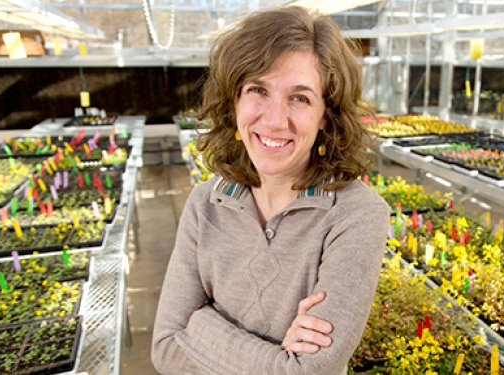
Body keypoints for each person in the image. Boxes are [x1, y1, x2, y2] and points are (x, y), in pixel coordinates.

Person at [151, 6, 389, 375]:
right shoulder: (205, 204)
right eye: (258, 90)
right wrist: (279, 357)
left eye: (300, 98)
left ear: (326, 114)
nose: (275, 120)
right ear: (234, 101)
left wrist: (200, 325)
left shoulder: (356, 214)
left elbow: (310, 371)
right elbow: (165, 349)